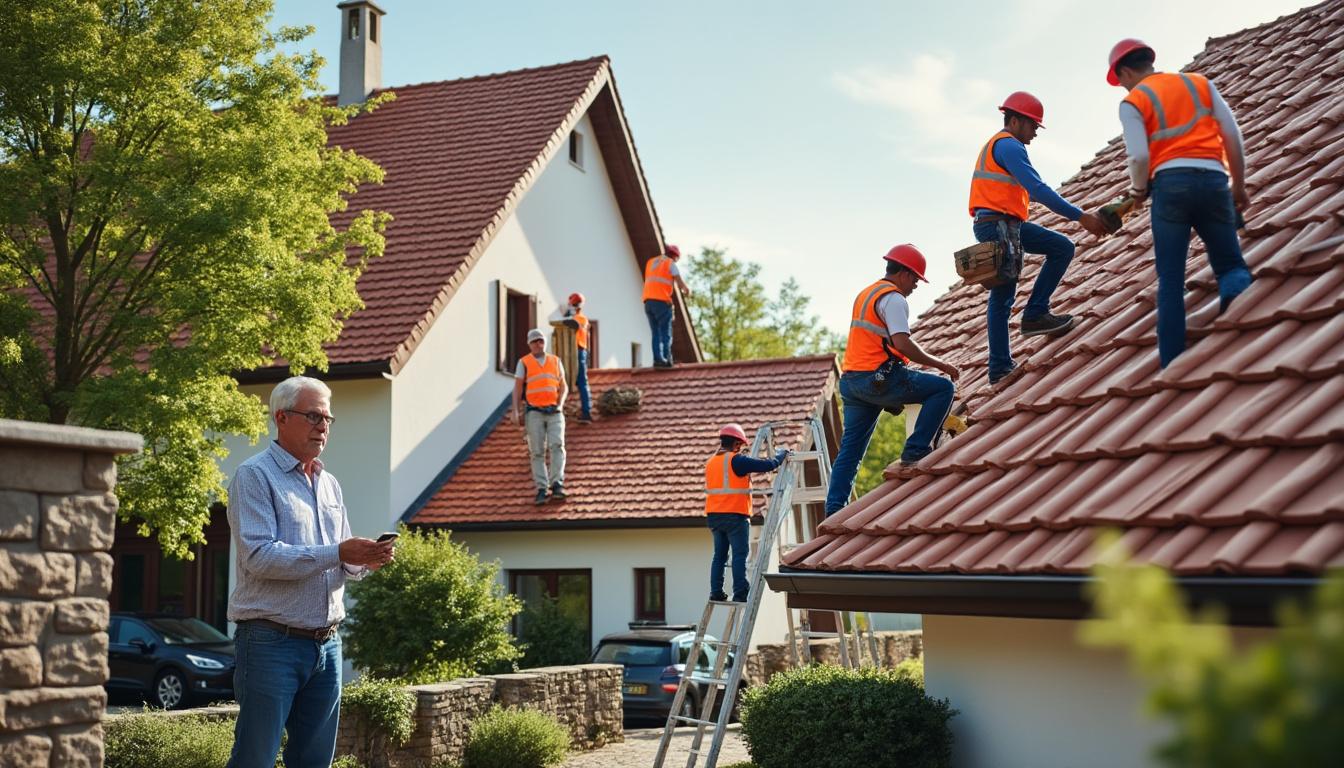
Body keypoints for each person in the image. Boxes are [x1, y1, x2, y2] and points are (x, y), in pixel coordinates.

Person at [226, 376, 395, 768]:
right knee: (255, 758)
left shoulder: (329, 483)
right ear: (281, 417)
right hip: (270, 642)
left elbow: (340, 559)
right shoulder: (254, 476)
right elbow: (259, 557)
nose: (323, 426)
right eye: (314, 416)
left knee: (315, 761)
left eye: (328, 419)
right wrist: (337, 551)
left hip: (327, 645)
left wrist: (363, 559)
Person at [1108, 38, 1253, 367]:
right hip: (1215, 180)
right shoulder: (1199, 83)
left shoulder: (1134, 101)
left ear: (1127, 72)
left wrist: (1137, 190)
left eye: (1121, 82)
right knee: (1230, 265)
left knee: (1171, 279)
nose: (1123, 88)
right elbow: (1232, 134)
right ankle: (1240, 310)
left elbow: (1140, 156)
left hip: (1170, 187)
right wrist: (1239, 187)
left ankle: (1172, 361)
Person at [969, 92, 1110, 384]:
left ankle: (1035, 314)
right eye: (1033, 126)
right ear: (1016, 120)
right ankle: (999, 368)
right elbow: (1038, 187)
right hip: (998, 226)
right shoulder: (1009, 145)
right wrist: (1080, 216)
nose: (1035, 132)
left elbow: (1028, 191)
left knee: (1062, 247)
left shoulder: (999, 146)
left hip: (1004, 224)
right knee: (1003, 295)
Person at [824, 245, 960, 517]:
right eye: (916, 280)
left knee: (850, 453)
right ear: (904, 274)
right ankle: (916, 449)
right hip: (876, 380)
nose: (915, 287)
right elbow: (902, 343)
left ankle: (834, 511)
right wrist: (940, 364)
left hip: (852, 383)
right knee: (943, 388)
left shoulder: (867, 293)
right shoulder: (895, 299)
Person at [705, 423, 790, 602]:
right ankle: (740, 593)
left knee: (719, 556)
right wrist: (782, 453)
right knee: (739, 555)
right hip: (735, 515)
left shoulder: (711, 462)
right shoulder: (737, 460)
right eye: (741, 446)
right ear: (736, 444)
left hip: (714, 516)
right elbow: (769, 464)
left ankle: (716, 592)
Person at [512, 328, 568, 504]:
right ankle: (542, 488)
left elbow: (563, 386)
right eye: (535, 341)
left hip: (554, 411)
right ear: (529, 344)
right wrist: (515, 410)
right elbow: (518, 388)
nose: (539, 343)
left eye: (541, 340)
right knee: (536, 451)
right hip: (534, 412)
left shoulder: (555, 361)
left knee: (557, 446)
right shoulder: (524, 362)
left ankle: (557, 483)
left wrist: (560, 404)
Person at [641, 244, 692, 368]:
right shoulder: (670, 263)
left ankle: (657, 360)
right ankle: (667, 360)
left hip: (648, 302)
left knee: (655, 333)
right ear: (675, 256)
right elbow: (680, 283)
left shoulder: (650, 262)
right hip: (662, 302)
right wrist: (687, 290)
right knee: (665, 332)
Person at [563, 292, 593, 423]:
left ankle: (586, 412)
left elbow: (569, 325)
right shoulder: (580, 318)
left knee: (581, 382)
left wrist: (566, 316)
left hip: (578, 351)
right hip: (573, 351)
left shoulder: (580, 318)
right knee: (571, 381)